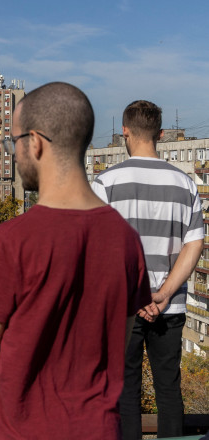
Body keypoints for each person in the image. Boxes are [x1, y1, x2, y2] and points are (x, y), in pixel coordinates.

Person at [0, 82, 151, 439]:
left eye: (14, 142)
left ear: (35, 142)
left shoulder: (9, 241)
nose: (14, 153)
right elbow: (116, 347)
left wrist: (12, 421)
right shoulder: (127, 241)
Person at [91, 100, 203, 439]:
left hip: (122, 306)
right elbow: (193, 244)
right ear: (161, 134)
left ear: (124, 131)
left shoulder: (105, 183)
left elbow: (99, 249)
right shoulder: (185, 184)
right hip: (170, 306)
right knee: (169, 389)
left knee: (126, 391)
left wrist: (136, 294)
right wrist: (164, 293)